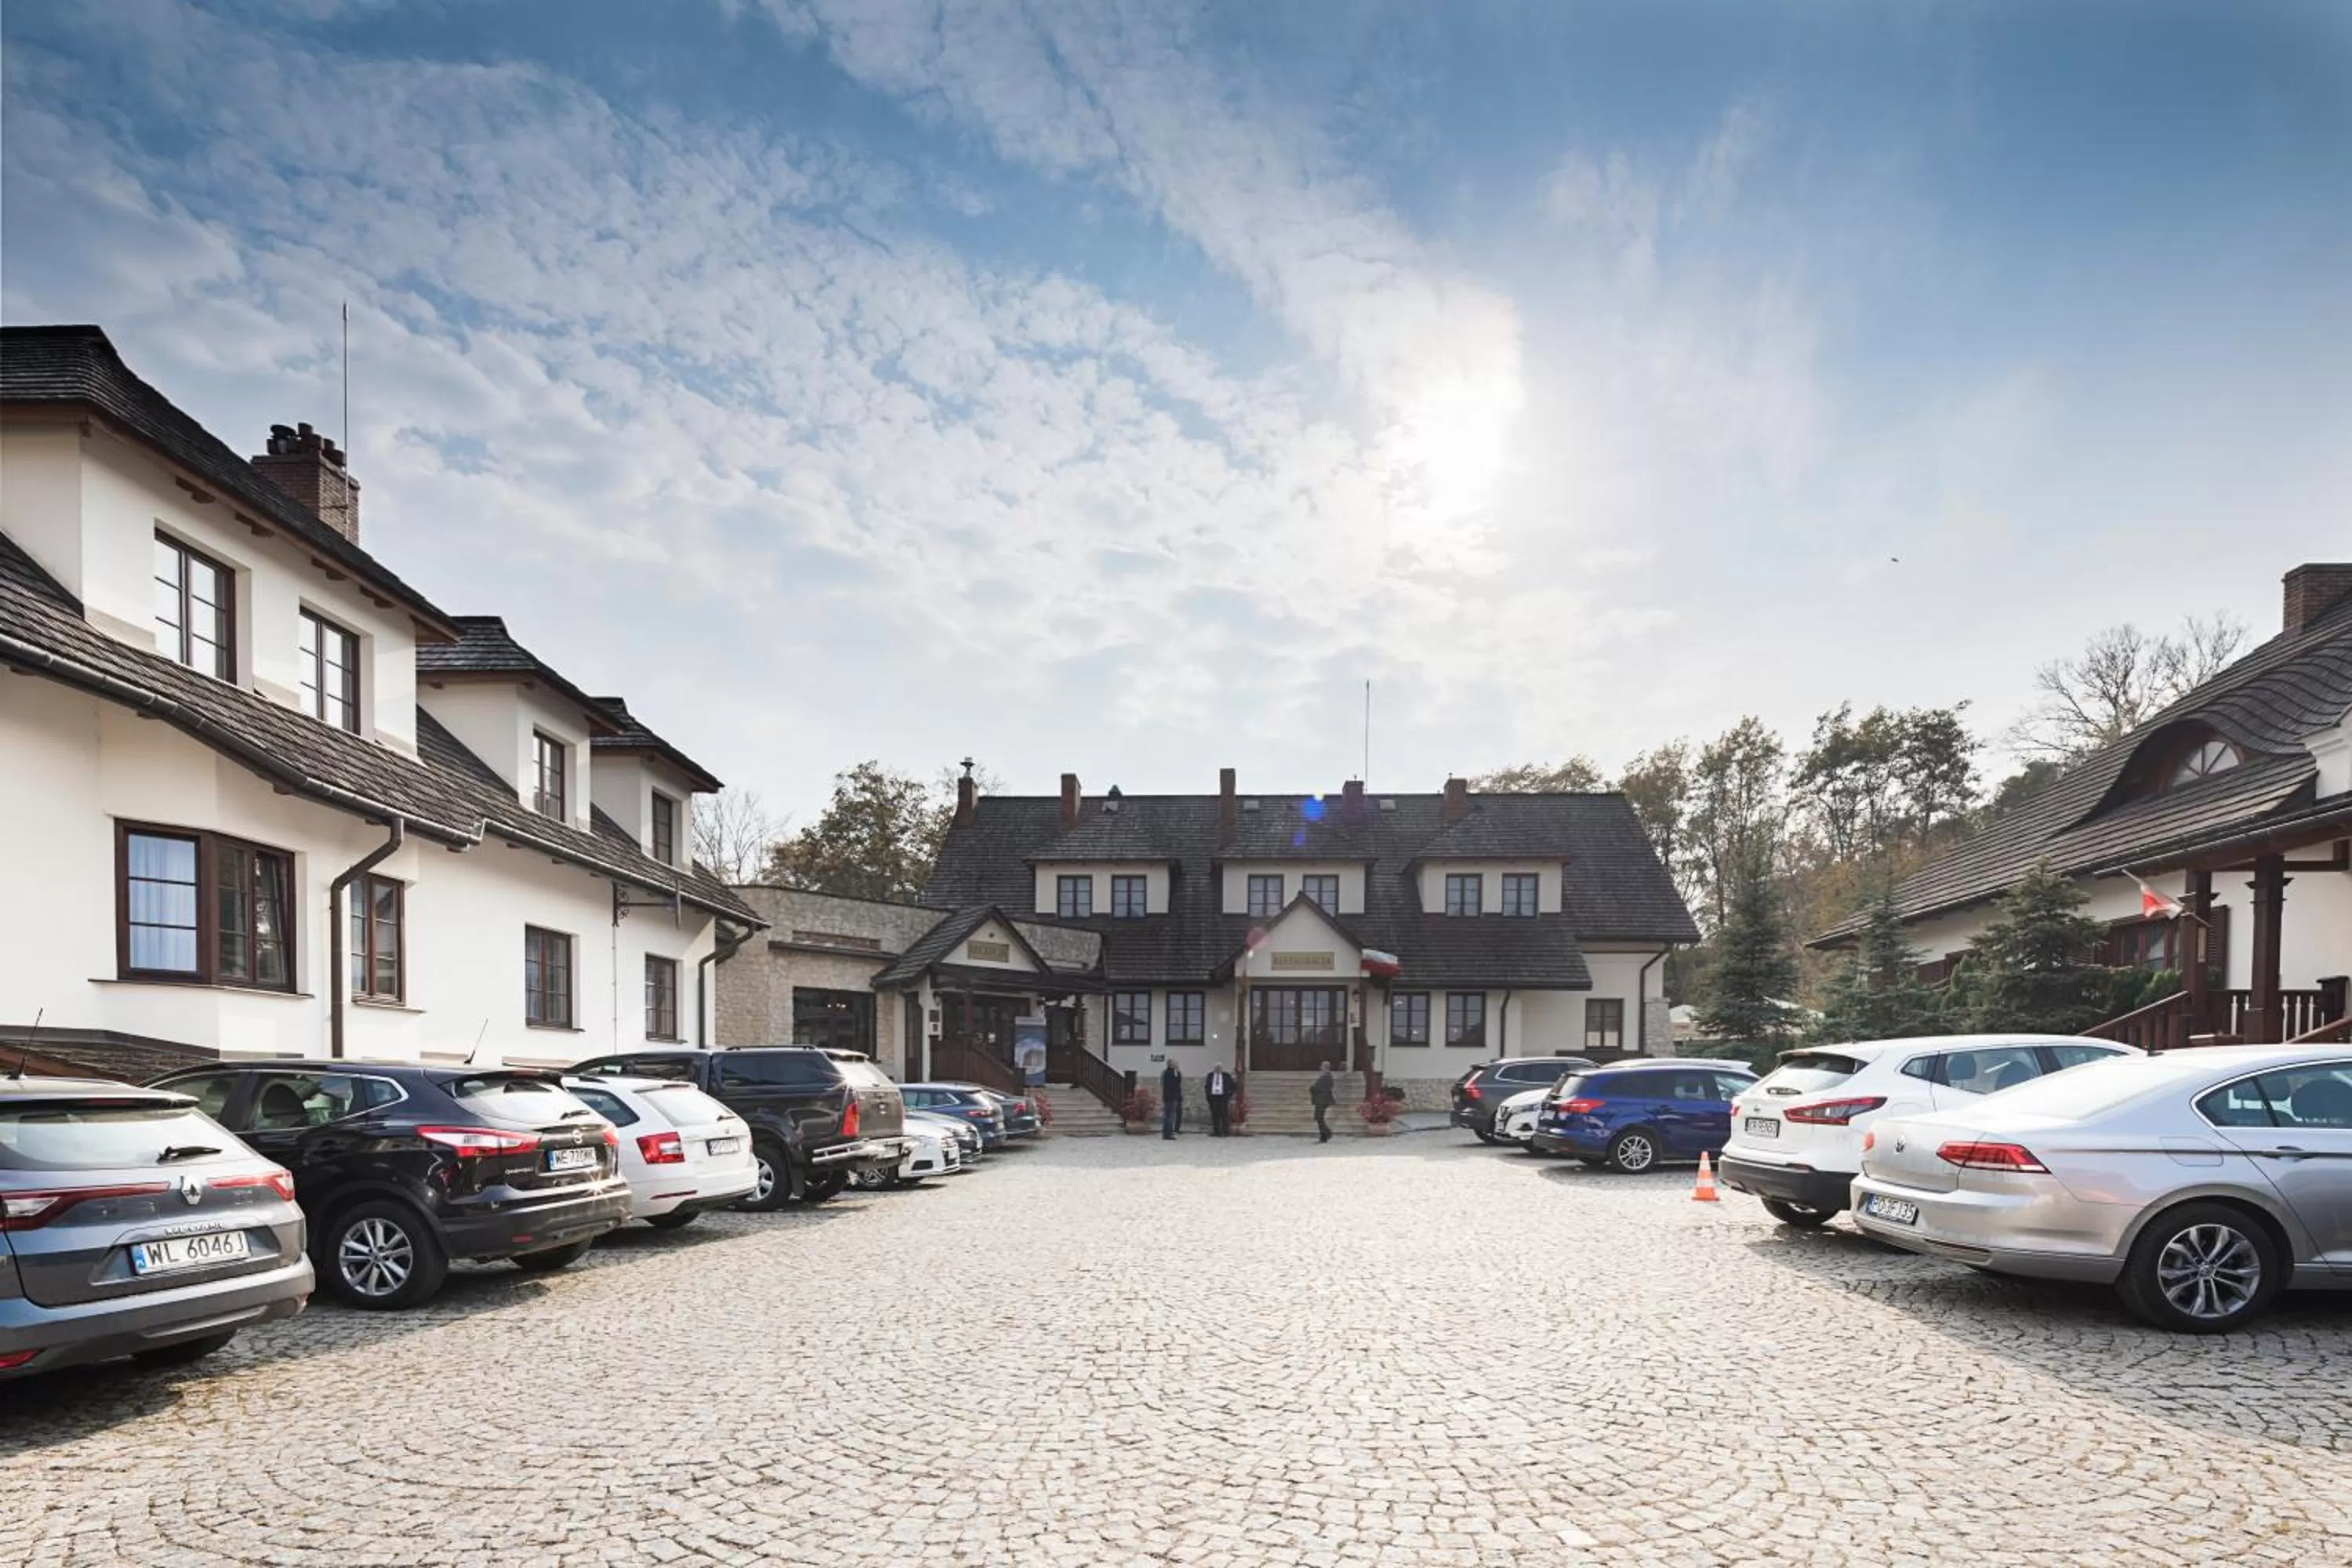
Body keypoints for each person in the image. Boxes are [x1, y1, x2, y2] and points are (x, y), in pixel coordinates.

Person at [1204, 1063, 1236, 1136]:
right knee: (1215, 1115)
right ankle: (1216, 1131)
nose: (1218, 1069)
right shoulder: (1210, 1075)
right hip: (1213, 1097)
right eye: (1216, 1068)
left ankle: (1225, 1131)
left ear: (1222, 1069)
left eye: (1219, 1068)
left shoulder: (1226, 1076)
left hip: (1223, 1097)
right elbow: (1207, 1086)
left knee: (1224, 1114)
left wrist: (1229, 1094)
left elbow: (1233, 1086)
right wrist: (1208, 1095)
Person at [1310, 1061, 1336, 1143]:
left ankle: (1325, 1135)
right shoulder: (1325, 1076)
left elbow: (1318, 1087)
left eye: (1322, 1066)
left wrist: (1313, 1088)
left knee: (1319, 1118)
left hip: (1322, 1100)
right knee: (1319, 1118)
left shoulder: (1327, 1076)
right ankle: (1326, 1133)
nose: (1320, 1067)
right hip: (1320, 1100)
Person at [1160, 1059, 1183, 1139]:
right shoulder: (1174, 1073)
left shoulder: (1164, 1073)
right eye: (1176, 1064)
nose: (1177, 1065)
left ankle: (1165, 1133)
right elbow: (1177, 1083)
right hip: (1172, 1097)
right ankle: (1169, 1133)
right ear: (1172, 1065)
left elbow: (1163, 1084)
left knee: (1166, 1116)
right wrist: (1177, 1071)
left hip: (1166, 1097)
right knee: (1171, 1116)